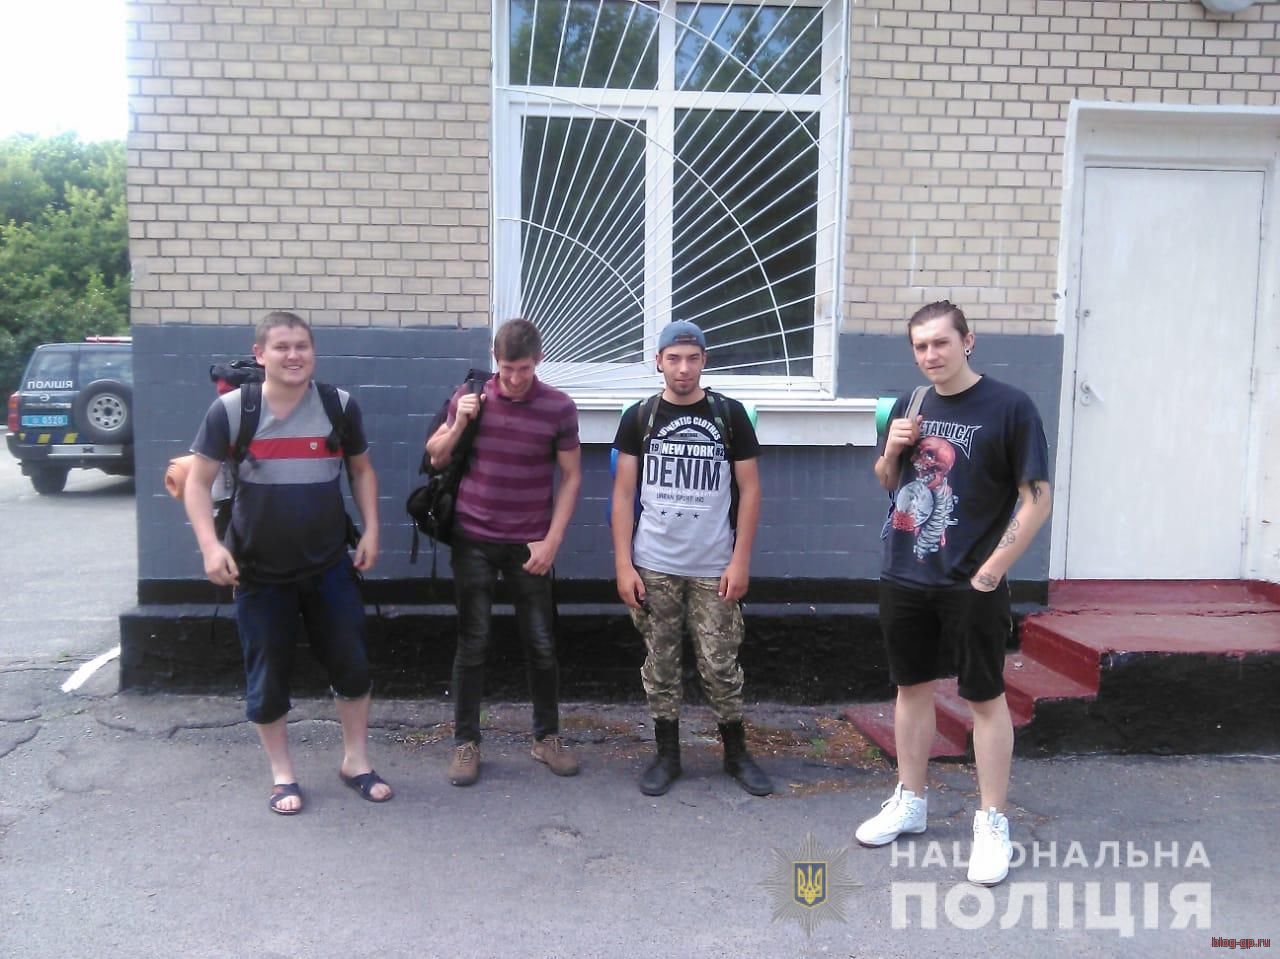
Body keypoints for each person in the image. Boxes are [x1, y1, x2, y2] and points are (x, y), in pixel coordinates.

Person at [856, 300, 1052, 886]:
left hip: (971, 581)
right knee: (910, 688)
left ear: (968, 341)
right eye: (920, 346)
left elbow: (1037, 497)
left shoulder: (1011, 407)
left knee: (984, 698)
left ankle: (992, 821)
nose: (930, 355)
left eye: (940, 342)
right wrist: (892, 450)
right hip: (904, 574)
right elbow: (888, 484)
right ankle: (910, 799)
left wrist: (991, 572)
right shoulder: (912, 403)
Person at [183, 311, 392, 815]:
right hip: (258, 572)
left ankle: (355, 762)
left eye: (302, 346)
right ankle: (283, 775)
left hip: (329, 565)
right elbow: (196, 481)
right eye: (281, 347)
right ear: (260, 354)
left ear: (313, 352)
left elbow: (362, 471)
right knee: (267, 677)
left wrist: (372, 530)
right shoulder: (233, 411)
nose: (293, 355)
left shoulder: (339, 406)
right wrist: (211, 546)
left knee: (352, 666)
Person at [611, 320, 773, 797]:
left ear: (704, 361)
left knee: (720, 665)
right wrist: (623, 564)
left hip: (714, 566)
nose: (683, 368)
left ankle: (736, 753)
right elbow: (622, 495)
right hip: (654, 564)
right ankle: (667, 754)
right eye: (674, 358)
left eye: (692, 358)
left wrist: (740, 561)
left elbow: (751, 490)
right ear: (658, 362)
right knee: (660, 663)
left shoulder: (729, 415)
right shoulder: (640, 417)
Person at [426, 318, 583, 786]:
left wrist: (553, 540)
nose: (515, 378)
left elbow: (572, 477)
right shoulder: (471, 396)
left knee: (541, 643)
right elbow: (436, 456)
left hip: (530, 542)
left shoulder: (558, 407)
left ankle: (546, 738)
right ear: (495, 360)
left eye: (524, 368)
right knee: (473, 642)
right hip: (473, 538)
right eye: (507, 368)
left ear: (538, 360)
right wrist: (460, 421)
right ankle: (466, 743)